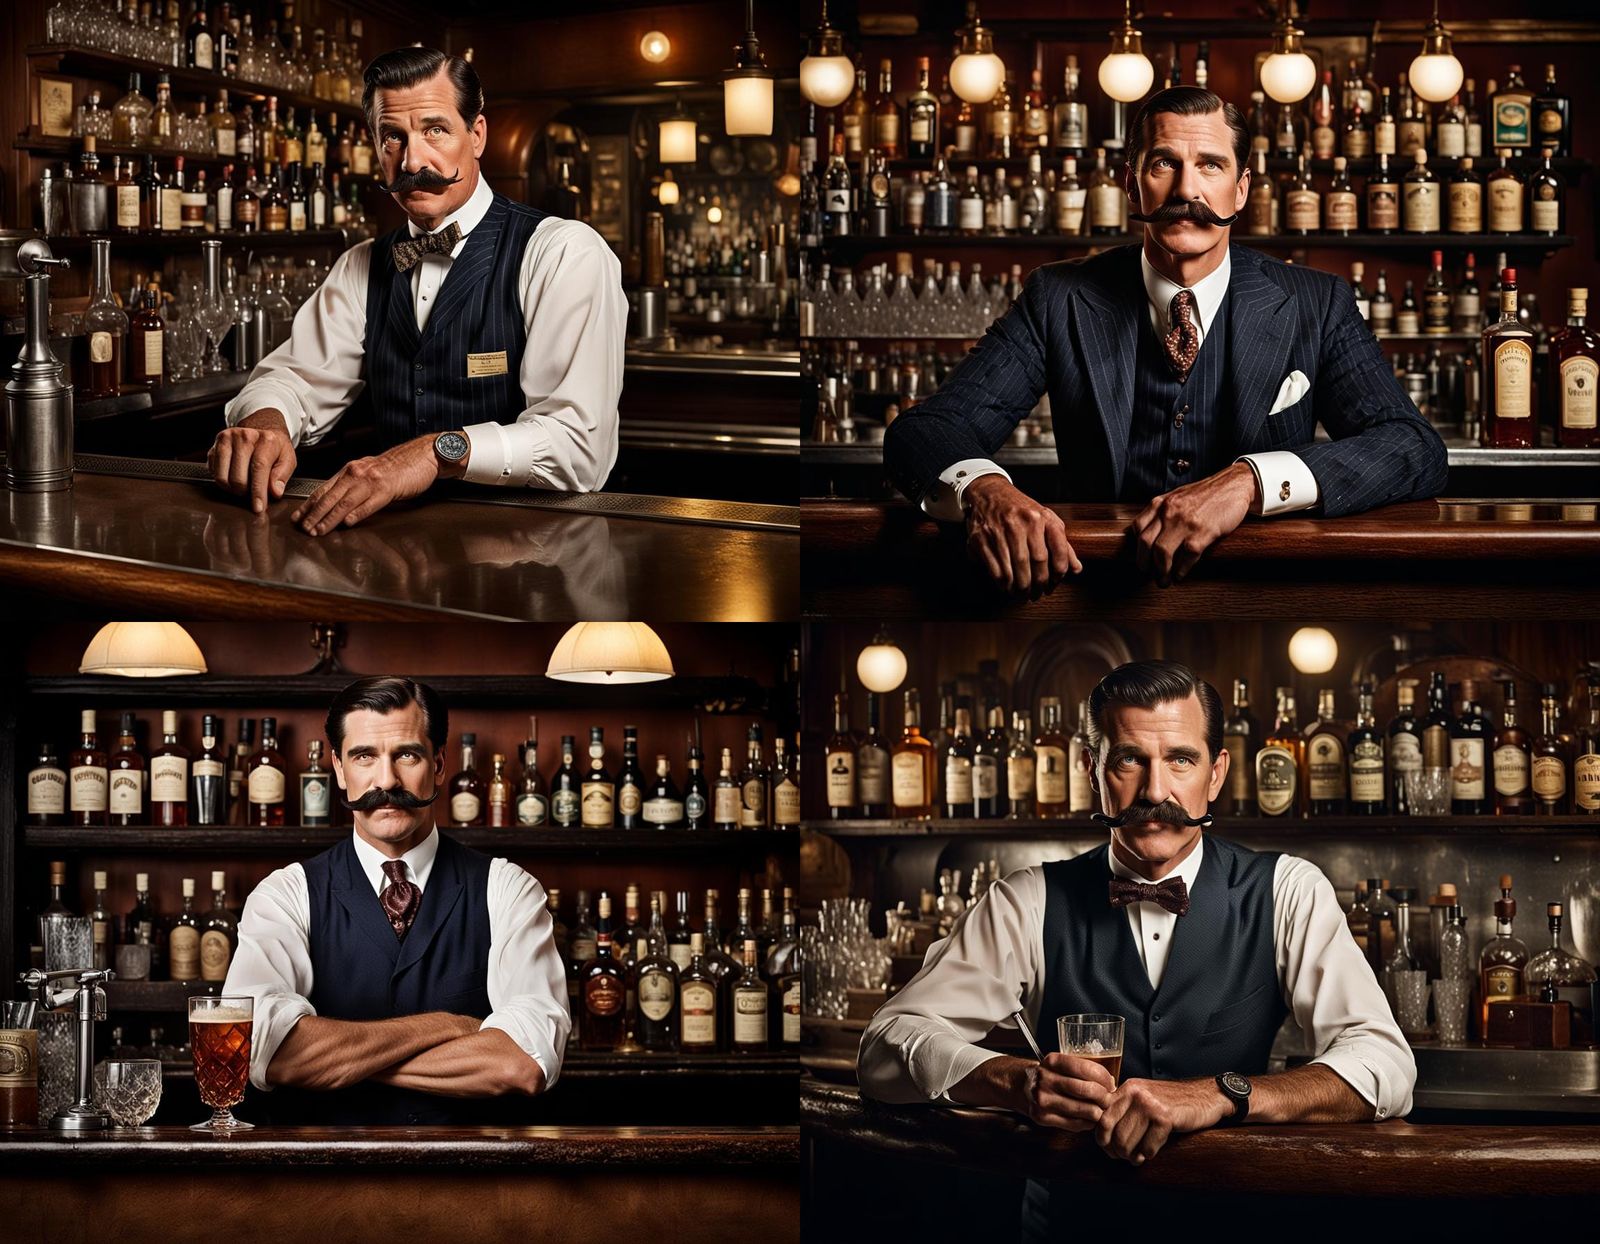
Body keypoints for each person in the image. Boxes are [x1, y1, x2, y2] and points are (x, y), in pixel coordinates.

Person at [857, 659, 1415, 1236]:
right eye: (1129, 759)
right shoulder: (1025, 901)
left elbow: (1386, 1064)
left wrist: (1223, 1095)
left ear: (1216, 773)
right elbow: (884, 1047)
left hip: (1235, 1225)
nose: (1155, 790)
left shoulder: (1287, 890)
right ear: (1092, 771)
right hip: (1068, 1227)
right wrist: (1014, 1082)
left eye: (1181, 759)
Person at [883, 86, 1448, 595]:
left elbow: (1414, 448)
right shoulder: (1058, 297)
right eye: (1164, 164)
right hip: (1092, 593)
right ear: (1132, 184)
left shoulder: (1315, 304)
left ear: (1240, 188)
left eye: (1210, 166)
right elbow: (925, 433)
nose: (1187, 189)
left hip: (1261, 593)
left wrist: (1251, 482)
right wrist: (985, 489)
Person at [210, 46, 625, 536]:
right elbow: (293, 377)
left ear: (476, 136)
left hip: (532, 551)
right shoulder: (362, 264)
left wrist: (433, 453)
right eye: (393, 137)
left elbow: (578, 449)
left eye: (435, 130)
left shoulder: (561, 253)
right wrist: (267, 423)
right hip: (395, 549)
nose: (412, 159)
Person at [224, 676, 569, 1124]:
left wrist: (341, 1061)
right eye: (364, 756)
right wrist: (451, 1026)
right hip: (319, 1183)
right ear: (339, 769)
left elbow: (521, 1063)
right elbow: (264, 1051)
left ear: (440, 765)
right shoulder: (285, 895)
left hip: (472, 1182)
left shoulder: (508, 889)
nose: (386, 780)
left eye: (407, 754)